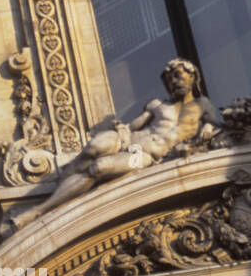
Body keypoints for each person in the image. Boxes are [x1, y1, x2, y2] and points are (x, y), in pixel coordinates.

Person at [12, 58, 220, 230]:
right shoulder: (157, 104)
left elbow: (215, 125)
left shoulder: (202, 105)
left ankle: (38, 211)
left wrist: (207, 129)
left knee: (99, 167)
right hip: (130, 141)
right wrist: (122, 131)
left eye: (178, 76)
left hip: (146, 156)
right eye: (170, 79)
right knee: (94, 147)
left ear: (192, 78)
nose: (174, 82)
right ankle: (63, 181)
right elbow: (133, 126)